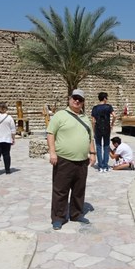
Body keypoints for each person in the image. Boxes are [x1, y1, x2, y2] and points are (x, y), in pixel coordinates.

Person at [47, 89, 96, 230]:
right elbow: (51, 133)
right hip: (64, 159)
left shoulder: (86, 118)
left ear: (83, 102)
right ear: (70, 99)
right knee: (60, 190)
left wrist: (92, 153)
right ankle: (58, 217)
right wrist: (52, 153)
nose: (77, 101)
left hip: (82, 160)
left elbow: (90, 137)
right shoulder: (60, 115)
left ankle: (76, 214)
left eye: (80, 99)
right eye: (75, 98)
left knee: (79, 189)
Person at [91, 92, 116, 172]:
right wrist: (112, 124)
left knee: (98, 147)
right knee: (106, 146)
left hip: (98, 128)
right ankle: (105, 165)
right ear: (105, 98)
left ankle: (100, 166)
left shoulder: (95, 108)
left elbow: (93, 121)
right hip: (106, 128)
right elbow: (114, 116)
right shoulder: (108, 107)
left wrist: (93, 130)